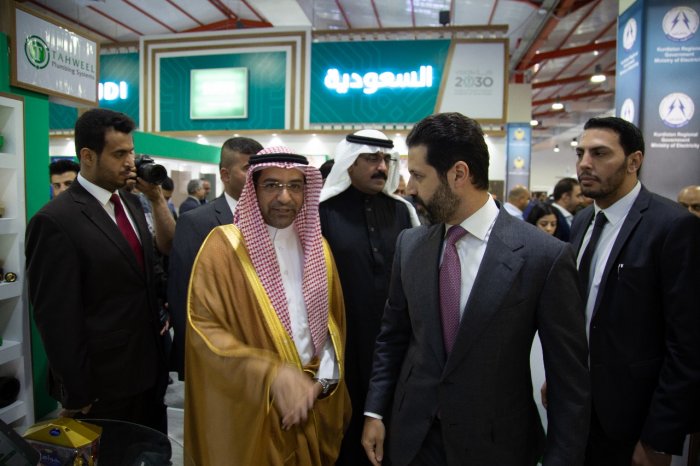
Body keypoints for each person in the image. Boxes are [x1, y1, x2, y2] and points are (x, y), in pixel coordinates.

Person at [361, 112, 590, 466]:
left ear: (458, 174)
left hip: (495, 446)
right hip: (414, 441)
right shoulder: (410, 245)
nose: (410, 189)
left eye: (419, 176)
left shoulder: (543, 256)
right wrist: (375, 411)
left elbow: (569, 380)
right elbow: (393, 337)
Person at [184, 146, 350, 465]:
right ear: (254, 189)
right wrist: (271, 375)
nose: (285, 197)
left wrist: (320, 383)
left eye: (295, 186)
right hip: (252, 413)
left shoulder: (319, 248)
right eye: (272, 185)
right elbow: (204, 330)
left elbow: (333, 327)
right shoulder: (222, 248)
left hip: (312, 406)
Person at [26, 108, 171, 433]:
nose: (130, 162)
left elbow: (147, 273)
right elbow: (55, 317)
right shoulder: (55, 221)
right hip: (103, 384)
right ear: (88, 156)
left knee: (152, 451)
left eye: (131, 151)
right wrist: (77, 390)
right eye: (119, 154)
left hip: (150, 372)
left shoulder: (131, 203)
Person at [571, 117, 700, 465]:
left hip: (634, 421)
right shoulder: (582, 221)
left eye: (599, 153)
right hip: (578, 411)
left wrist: (659, 436)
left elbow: (687, 343)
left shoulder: (673, 227)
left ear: (634, 161)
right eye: (580, 153)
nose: (585, 163)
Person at [319, 130, 417, 465]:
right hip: (340, 342)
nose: (382, 167)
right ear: (349, 162)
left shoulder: (403, 212)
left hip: (394, 342)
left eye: (386, 159)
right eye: (372, 159)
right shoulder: (322, 212)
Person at [167, 136, 262, 380]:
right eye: (247, 168)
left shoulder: (274, 218)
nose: (256, 175)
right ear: (225, 174)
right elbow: (184, 294)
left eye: (260, 168)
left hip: (265, 350)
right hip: (215, 353)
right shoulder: (197, 222)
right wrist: (198, 356)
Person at [550, 177, 583, 241]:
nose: (581, 201)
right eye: (578, 196)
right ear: (566, 197)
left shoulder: (570, 216)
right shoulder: (552, 217)